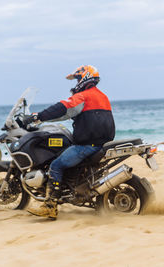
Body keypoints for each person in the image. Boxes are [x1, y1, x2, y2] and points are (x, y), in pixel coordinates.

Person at [26, 65, 115, 219]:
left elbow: (63, 108)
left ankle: (50, 206)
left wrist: (37, 116)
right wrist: (43, 118)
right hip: (102, 143)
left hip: (88, 145)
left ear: (84, 78)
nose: (75, 83)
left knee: (55, 165)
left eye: (77, 79)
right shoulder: (102, 96)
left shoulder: (83, 96)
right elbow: (66, 114)